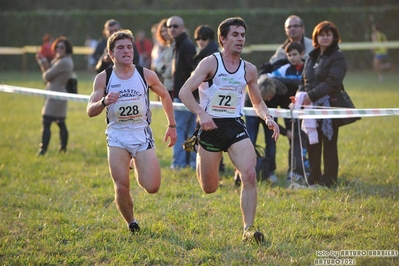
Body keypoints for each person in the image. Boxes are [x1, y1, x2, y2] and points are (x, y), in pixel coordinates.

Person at [178, 17, 280, 244]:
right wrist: (201, 113)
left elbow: (257, 102)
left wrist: (268, 118)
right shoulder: (209, 63)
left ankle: (248, 229)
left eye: (243, 35)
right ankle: (199, 153)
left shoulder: (249, 70)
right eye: (235, 34)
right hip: (209, 126)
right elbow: (185, 92)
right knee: (209, 188)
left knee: (250, 174)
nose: (240, 39)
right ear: (222, 39)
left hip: (234, 124)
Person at [86, 29, 177, 233]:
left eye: (129, 47)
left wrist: (172, 125)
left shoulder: (145, 74)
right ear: (111, 54)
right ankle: (132, 223)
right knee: (121, 186)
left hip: (141, 133)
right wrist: (104, 101)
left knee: (152, 187)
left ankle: (137, 163)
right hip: (117, 134)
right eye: (120, 48)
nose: (126, 51)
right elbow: (90, 110)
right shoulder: (104, 77)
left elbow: (165, 96)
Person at [299, 21, 347, 188]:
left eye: (328, 34)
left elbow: (333, 82)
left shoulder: (338, 56)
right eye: (322, 34)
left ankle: (329, 181)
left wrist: (310, 96)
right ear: (316, 37)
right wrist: (300, 95)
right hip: (310, 107)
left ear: (334, 37)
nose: (325, 37)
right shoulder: (312, 56)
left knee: (329, 144)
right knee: (313, 143)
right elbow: (304, 79)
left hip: (330, 106)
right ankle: (313, 179)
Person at [192, 24, 225, 173]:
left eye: (204, 38)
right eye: (198, 38)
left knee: (209, 135)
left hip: (212, 101)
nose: (200, 41)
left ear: (211, 39)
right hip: (204, 99)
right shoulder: (203, 54)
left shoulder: (211, 56)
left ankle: (216, 167)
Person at [167, 16, 197, 170]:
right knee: (191, 130)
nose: (172, 29)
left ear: (183, 28)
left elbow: (194, 71)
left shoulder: (186, 45)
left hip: (185, 97)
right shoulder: (178, 44)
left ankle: (179, 163)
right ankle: (192, 163)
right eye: (169, 26)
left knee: (178, 129)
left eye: (176, 26)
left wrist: (188, 93)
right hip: (187, 96)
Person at [35, 36, 74, 155]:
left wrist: (43, 63)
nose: (58, 49)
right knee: (60, 122)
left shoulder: (64, 61)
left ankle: (43, 150)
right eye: (56, 47)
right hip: (54, 94)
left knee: (47, 121)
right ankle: (62, 148)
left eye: (62, 47)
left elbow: (47, 76)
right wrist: (44, 62)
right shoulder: (60, 60)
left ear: (67, 49)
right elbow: (49, 76)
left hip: (56, 95)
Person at [154, 18, 174, 98]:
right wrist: (164, 66)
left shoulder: (175, 46)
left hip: (174, 86)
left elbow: (172, 69)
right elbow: (157, 65)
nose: (164, 33)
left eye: (166, 30)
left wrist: (165, 70)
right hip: (167, 85)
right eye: (162, 31)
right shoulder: (166, 47)